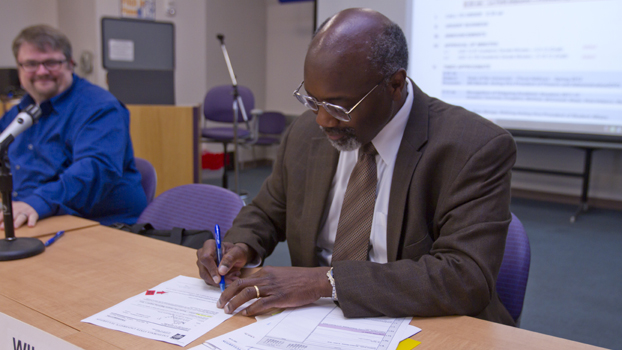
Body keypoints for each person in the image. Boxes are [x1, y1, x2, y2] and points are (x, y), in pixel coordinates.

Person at [197, 8, 517, 326]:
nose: (323, 119)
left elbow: (465, 276)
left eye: (339, 105)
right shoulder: (305, 134)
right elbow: (269, 211)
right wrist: (240, 245)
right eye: (312, 101)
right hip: (312, 321)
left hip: (422, 322)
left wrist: (326, 282)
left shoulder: (474, 147)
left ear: (395, 85)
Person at [0, 25, 147, 229]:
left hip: (100, 226)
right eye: (31, 64)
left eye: (51, 62)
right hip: (33, 219)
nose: (41, 72)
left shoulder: (100, 108)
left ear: (70, 64)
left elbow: (94, 171)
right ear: (19, 68)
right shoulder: (16, 115)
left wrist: (36, 202)